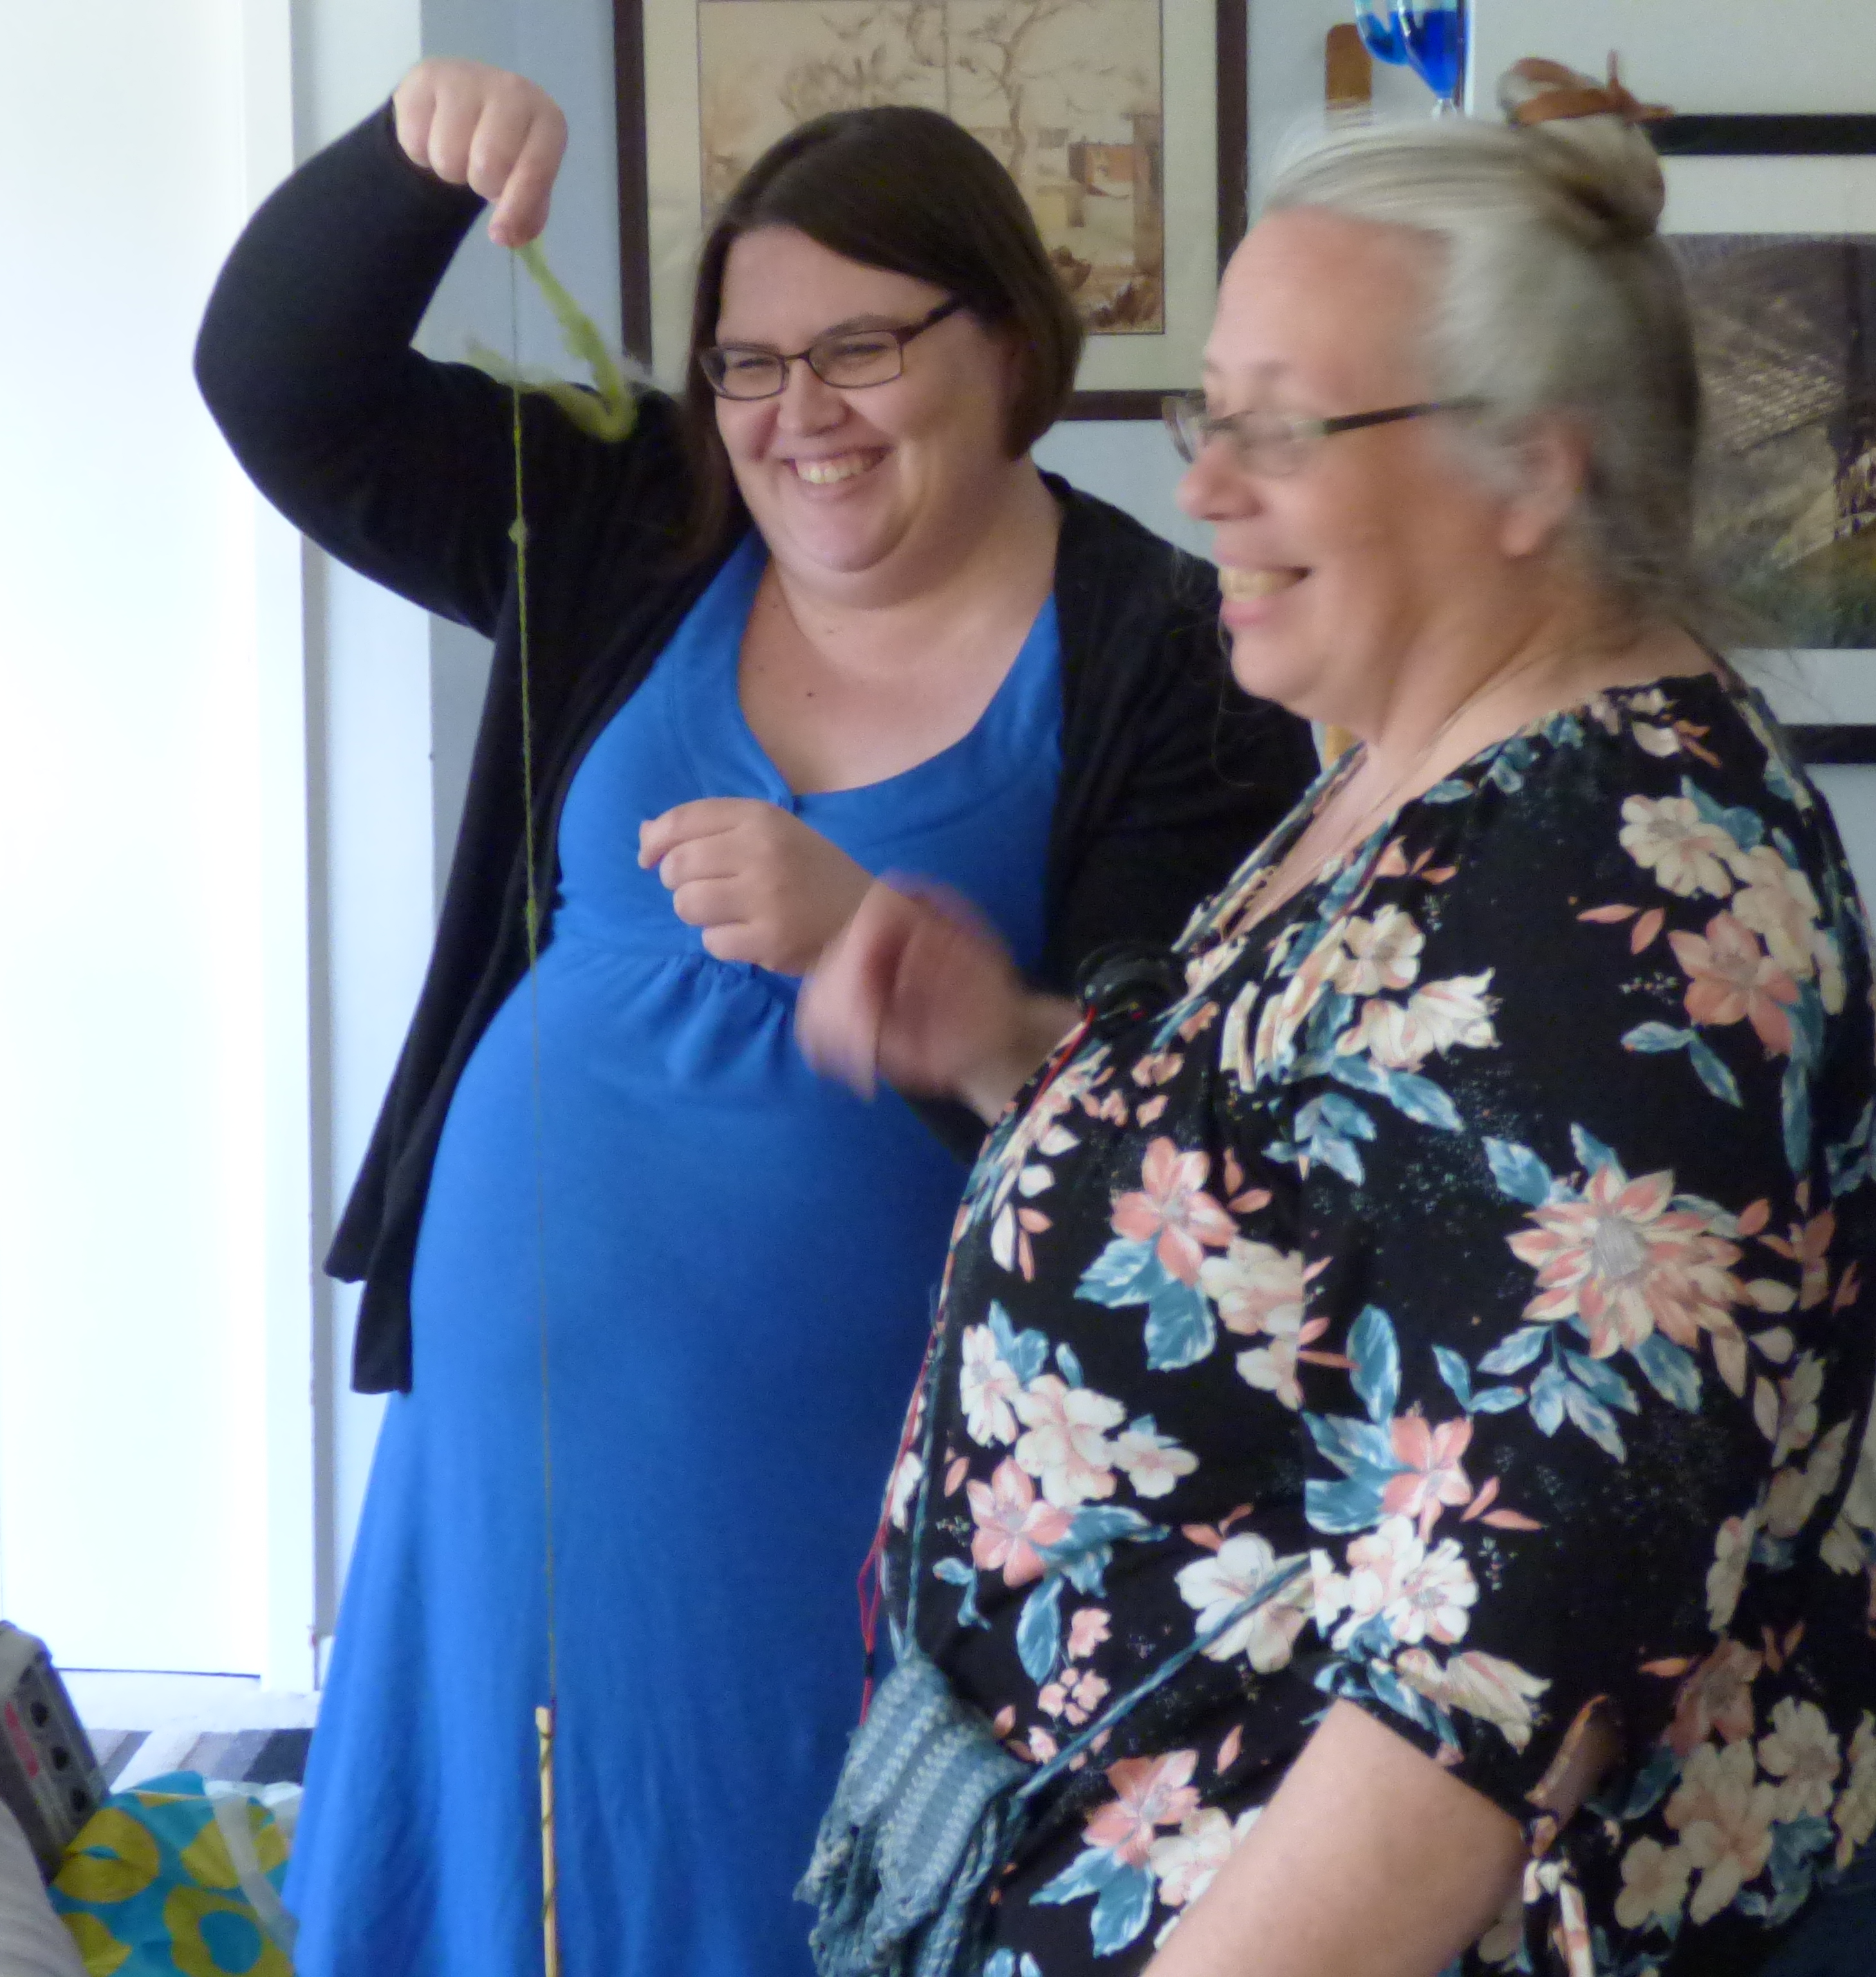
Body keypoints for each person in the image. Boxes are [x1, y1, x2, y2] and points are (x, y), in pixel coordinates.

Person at [795, 61, 1876, 1977]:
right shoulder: (1415, 770)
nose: (1202, 487)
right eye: (1209, 414)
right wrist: (1011, 1048)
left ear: (1532, 468)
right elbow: (1342, 1198)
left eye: (1283, 428)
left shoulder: (1627, 901)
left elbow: (1489, 1697)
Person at [192, 59, 1314, 1977]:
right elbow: (283, 383)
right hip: (520, 1436)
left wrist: (864, 934)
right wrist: (411, 161)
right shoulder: (633, 522)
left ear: (1009, 341)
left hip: (864, 1485)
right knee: (511, 1894)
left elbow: (1167, 1146)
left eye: (860, 349)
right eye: (748, 362)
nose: (800, 414)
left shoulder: (1173, 664)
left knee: (787, 1890)